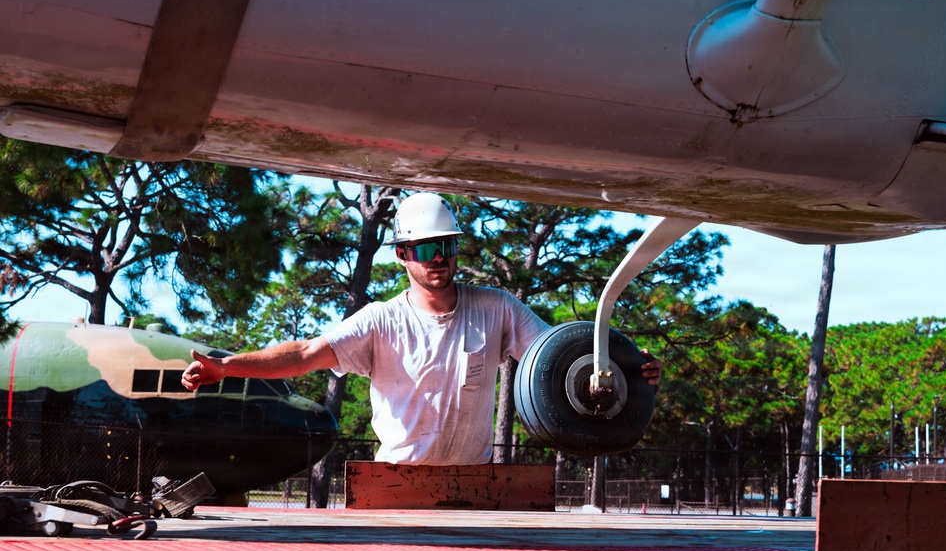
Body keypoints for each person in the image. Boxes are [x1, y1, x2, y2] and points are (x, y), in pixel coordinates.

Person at [182, 192, 661, 465]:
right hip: (396, 484)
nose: (439, 259)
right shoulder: (380, 321)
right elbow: (306, 354)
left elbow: (559, 361)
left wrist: (626, 371)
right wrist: (227, 367)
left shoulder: (496, 308)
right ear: (402, 254)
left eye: (446, 247)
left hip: (476, 486)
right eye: (427, 249)